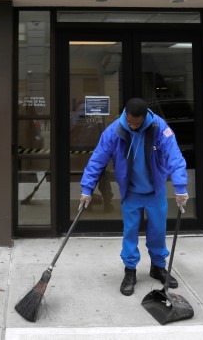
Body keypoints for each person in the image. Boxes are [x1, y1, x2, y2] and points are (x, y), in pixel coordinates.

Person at [79, 97, 189, 296]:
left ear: (145, 117)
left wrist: (180, 187)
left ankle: (158, 267)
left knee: (158, 230)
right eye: (129, 121)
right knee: (130, 232)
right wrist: (87, 189)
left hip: (155, 191)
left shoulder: (158, 127)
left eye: (136, 124)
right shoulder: (114, 131)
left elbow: (174, 155)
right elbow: (97, 159)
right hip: (131, 191)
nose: (132, 126)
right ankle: (130, 271)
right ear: (125, 115)